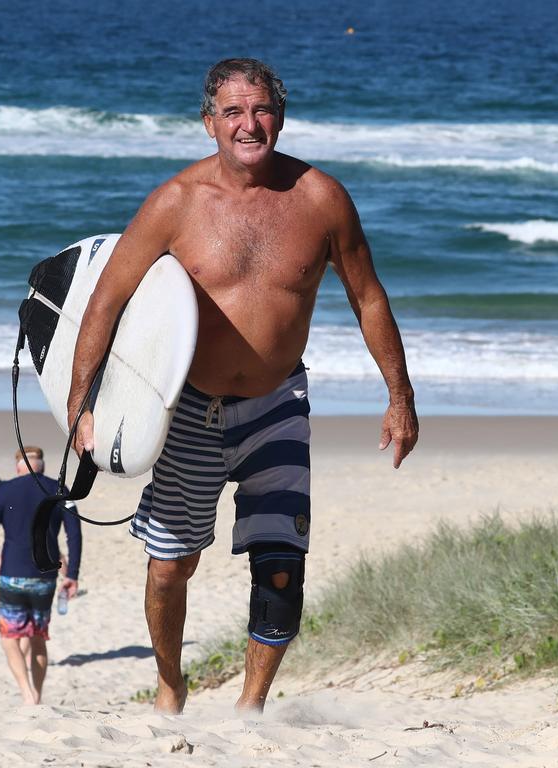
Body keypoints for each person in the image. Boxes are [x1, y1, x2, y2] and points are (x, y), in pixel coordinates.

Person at [67, 58, 419, 714]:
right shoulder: (176, 203)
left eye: (260, 110)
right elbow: (106, 302)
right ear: (209, 123)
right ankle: (171, 683)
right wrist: (82, 400)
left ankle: (251, 709)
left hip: (278, 401)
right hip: (189, 405)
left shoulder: (322, 200)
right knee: (171, 566)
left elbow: (368, 298)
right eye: (233, 112)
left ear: (279, 118)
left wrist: (400, 397)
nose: (248, 124)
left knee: (281, 564)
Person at [0, 446, 82, 705]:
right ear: (42, 464)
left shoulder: (6, 490)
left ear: (19, 466)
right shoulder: (59, 490)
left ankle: (27, 694)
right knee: (38, 638)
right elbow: (74, 533)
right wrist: (72, 574)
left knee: (10, 637)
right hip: (46, 577)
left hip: (12, 575)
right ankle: (37, 697)